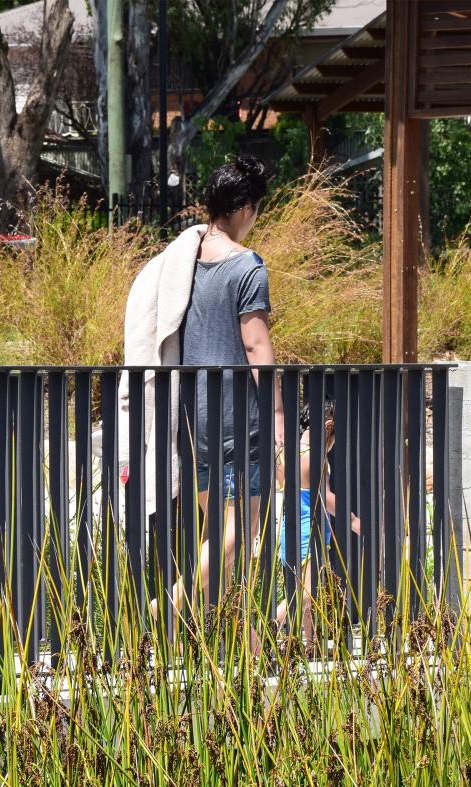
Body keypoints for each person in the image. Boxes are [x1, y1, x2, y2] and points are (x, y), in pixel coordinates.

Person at [174, 156, 285, 617]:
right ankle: (168, 612)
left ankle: (243, 641)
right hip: (239, 415)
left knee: (216, 531)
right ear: (244, 209)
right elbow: (256, 346)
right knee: (238, 532)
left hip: (191, 412)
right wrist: (278, 414)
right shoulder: (247, 267)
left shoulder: (184, 259)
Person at [273, 400, 359, 647]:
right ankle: (267, 626)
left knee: (304, 591)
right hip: (308, 533)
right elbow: (325, 497)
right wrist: (353, 520)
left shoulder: (285, 451)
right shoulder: (314, 456)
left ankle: (311, 644)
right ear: (328, 426)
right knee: (306, 594)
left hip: (289, 529)